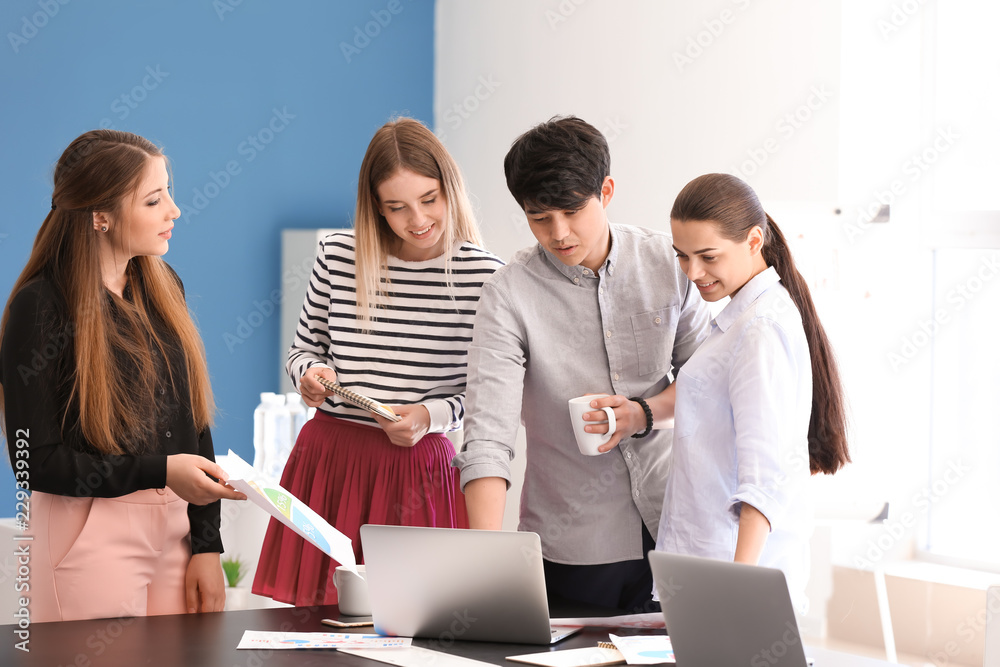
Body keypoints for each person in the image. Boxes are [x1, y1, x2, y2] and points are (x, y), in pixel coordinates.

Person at [453, 116, 712, 613]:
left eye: (572, 211)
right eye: (538, 217)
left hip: (675, 527)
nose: (559, 232)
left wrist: (642, 412)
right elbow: (488, 436)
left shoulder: (667, 262)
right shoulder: (508, 294)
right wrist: (483, 563)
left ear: (606, 191)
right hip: (572, 546)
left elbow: (706, 381)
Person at [253, 117, 504, 606]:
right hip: (329, 461)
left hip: (419, 470)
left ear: (451, 189)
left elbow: (487, 396)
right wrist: (308, 375)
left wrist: (429, 417)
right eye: (397, 207)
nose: (418, 220)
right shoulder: (337, 254)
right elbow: (304, 348)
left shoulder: (485, 275)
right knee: (315, 623)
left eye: (430, 199)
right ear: (376, 208)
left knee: (413, 622)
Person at [0, 129, 246, 623]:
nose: (174, 210)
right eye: (154, 200)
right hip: (88, 534)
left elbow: (191, 422)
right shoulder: (40, 308)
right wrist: (160, 471)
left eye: (168, 194)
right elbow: (35, 465)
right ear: (100, 216)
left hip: (175, 529)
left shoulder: (163, 286)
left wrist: (205, 543)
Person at [653, 173, 850, 610]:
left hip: (733, 578)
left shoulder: (759, 329)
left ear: (753, 241)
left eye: (708, 256)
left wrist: (738, 592)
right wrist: (639, 413)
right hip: (712, 570)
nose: (694, 273)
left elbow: (764, 479)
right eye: (682, 257)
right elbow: (703, 398)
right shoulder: (743, 317)